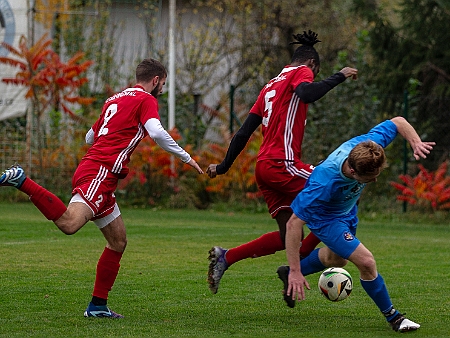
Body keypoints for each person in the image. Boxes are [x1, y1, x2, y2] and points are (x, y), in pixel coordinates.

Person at [0, 58, 204, 318]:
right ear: (155, 81)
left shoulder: (114, 99)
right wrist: (187, 158)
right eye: (162, 84)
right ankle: (21, 180)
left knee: (118, 241)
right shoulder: (146, 100)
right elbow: (158, 133)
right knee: (69, 224)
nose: (162, 89)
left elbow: (90, 136)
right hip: (100, 172)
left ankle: (97, 306)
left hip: (101, 174)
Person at [206, 30, 358, 294]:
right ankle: (296, 269)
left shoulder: (269, 86)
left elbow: (243, 132)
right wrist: (340, 76)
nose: (313, 77)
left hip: (265, 169)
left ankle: (226, 257)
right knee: (341, 194)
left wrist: (223, 167)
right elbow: (308, 93)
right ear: (311, 64)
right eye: (316, 72)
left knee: (290, 237)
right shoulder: (302, 71)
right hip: (283, 164)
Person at [278, 116, 434, 332]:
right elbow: (293, 223)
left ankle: (287, 273)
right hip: (326, 218)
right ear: (353, 172)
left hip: (347, 209)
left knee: (337, 260)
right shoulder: (323, 183)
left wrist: (415, 142)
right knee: (367, 262)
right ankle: (394, 318)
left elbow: (398, 122)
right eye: (370, 177)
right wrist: (296, 269)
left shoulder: (367, 147)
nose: (375, 179)